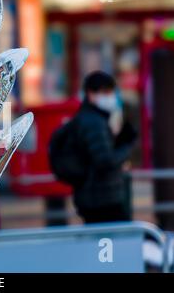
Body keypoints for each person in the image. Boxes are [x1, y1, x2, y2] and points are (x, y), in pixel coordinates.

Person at [50, 71, 137, 224]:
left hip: (95, 197)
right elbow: (104, 161)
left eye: (111, 92)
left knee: (100, 242)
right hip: (102, 199)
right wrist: (126, 146)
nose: (110, 97)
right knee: (111, 243)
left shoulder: (90, 118)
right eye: (105, 92)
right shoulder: (94, 123)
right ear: (91, 94)